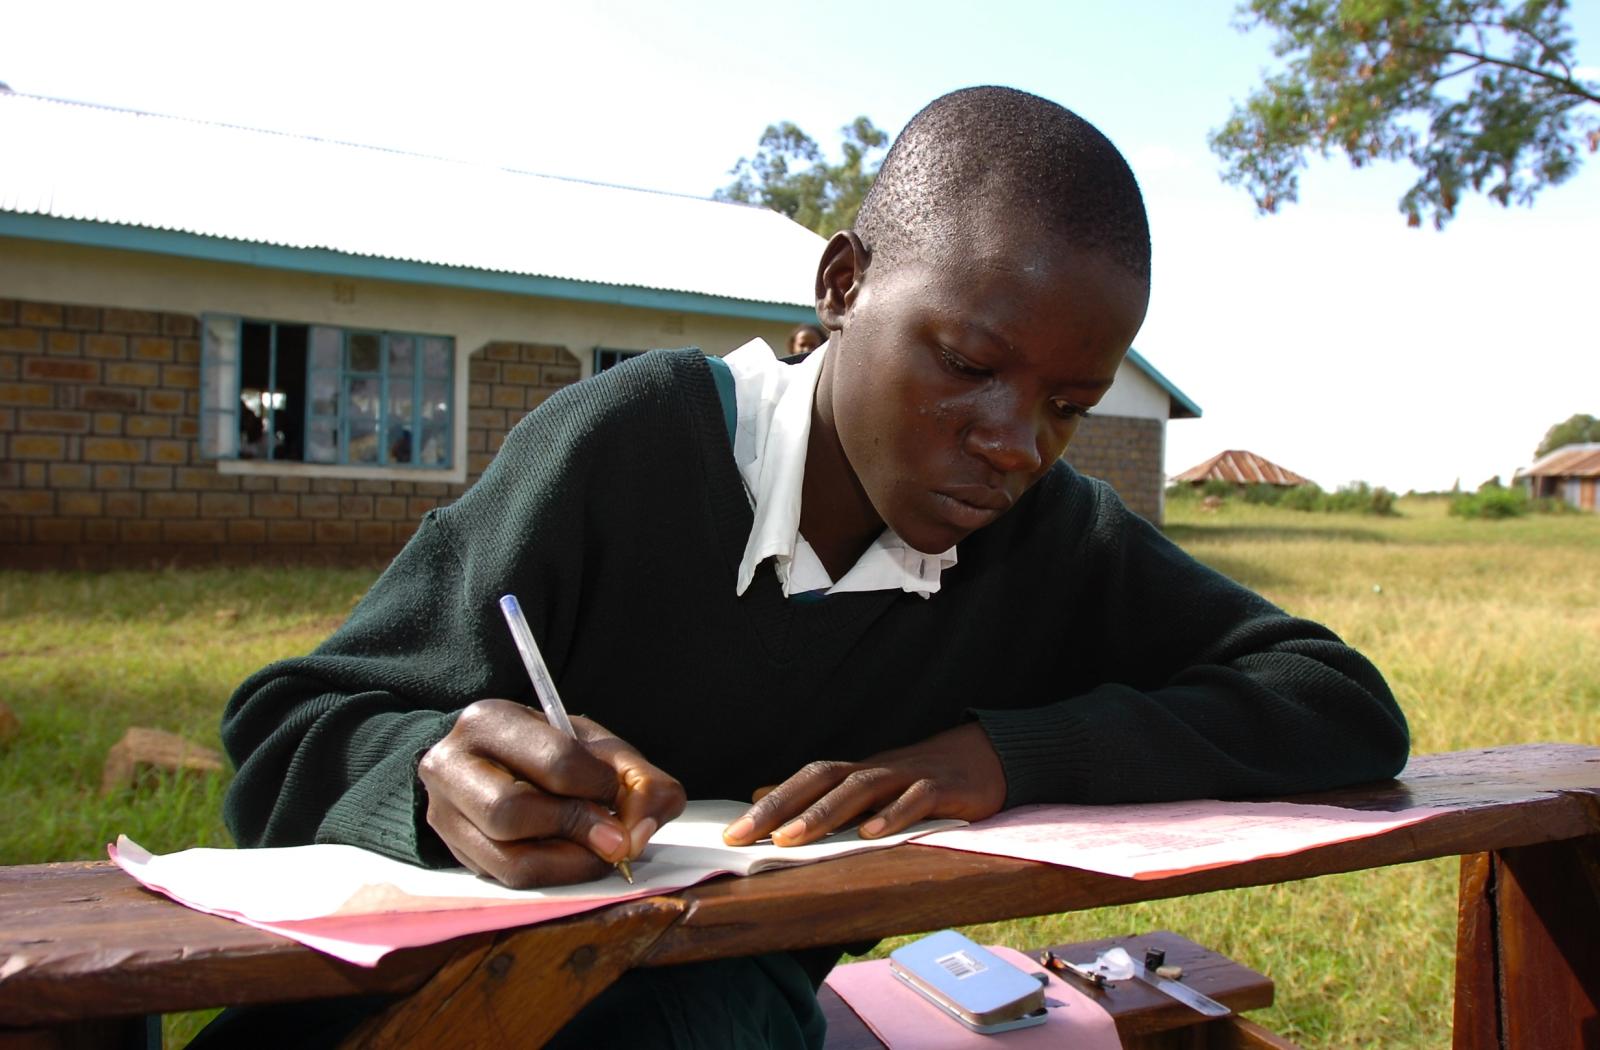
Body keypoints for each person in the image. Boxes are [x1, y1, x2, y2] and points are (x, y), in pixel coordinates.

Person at [207, 86, 1407, 1049]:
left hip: (716, 1004)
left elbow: (1335, 702)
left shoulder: (1049, 537)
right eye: (968, 361)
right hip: (405, 1002)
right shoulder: (631, 444)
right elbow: (286, 731)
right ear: (841, 286)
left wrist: (1001, 756)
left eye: (1067, 404)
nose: (1013, 441)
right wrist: (431, 779)